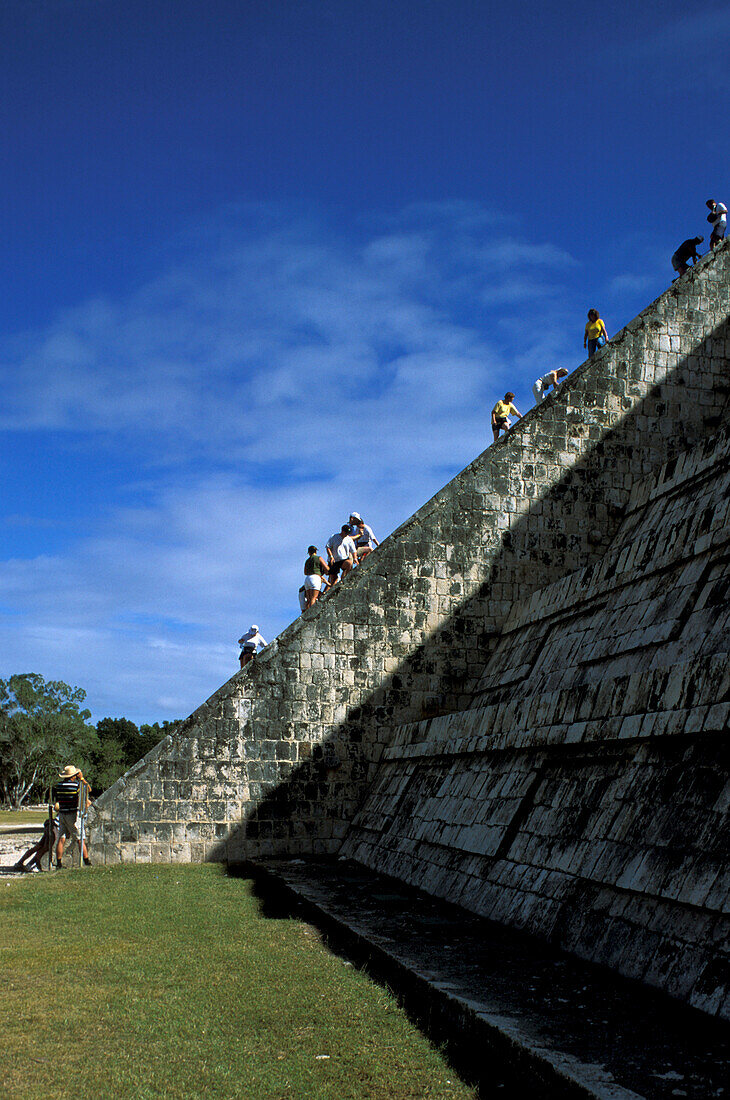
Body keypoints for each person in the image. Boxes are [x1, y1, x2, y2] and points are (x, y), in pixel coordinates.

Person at [54, 766, 91, 868]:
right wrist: (82, 778)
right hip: (72, 814)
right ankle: (86, 861)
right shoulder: (76, 785)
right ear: (73, 776)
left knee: (61, 839)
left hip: (62, 814)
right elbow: (88, 790)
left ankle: (59, 863)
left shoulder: (59, 785)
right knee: (80, 838)